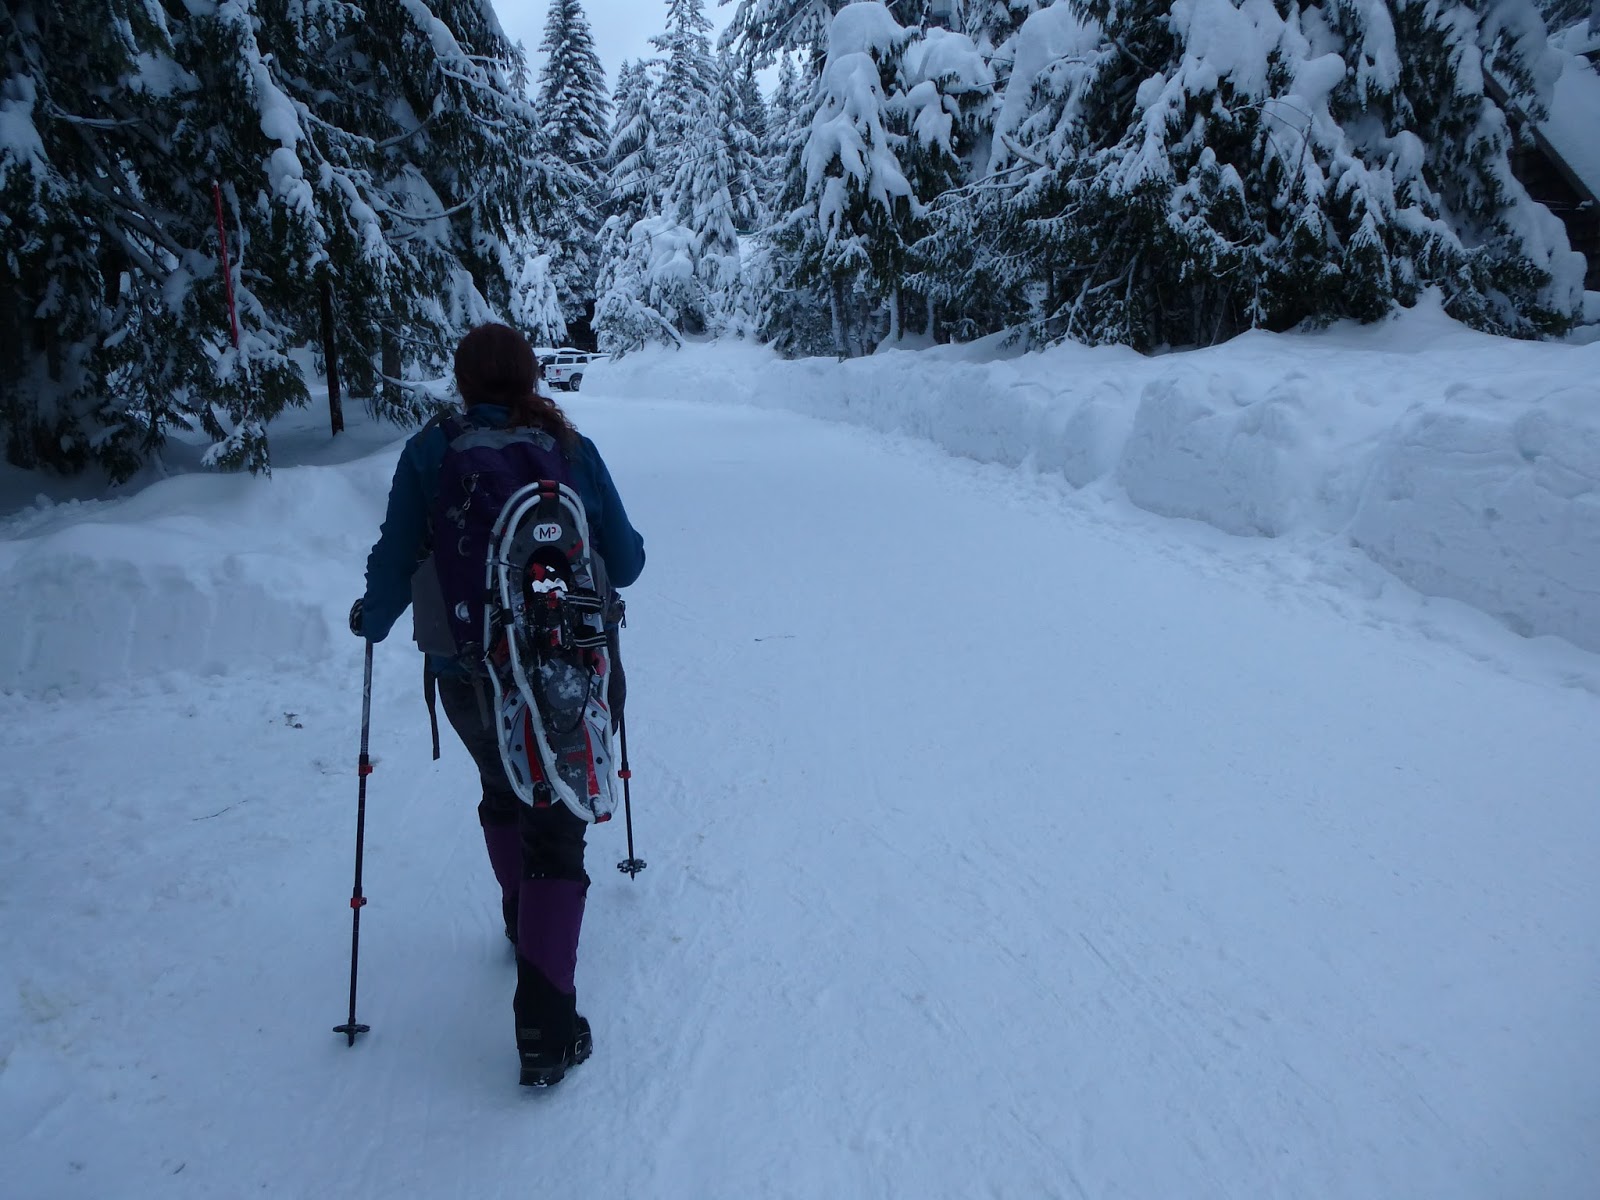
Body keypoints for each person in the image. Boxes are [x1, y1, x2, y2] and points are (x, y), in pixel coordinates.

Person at [350, 323, 645, 1086]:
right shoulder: (572, 450)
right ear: (530, 376)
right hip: (564, 670)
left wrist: (373, 619)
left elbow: (395, 555)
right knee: (557, 828)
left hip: (467, 670)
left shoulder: (431, 451)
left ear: (463, 381)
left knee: (500, 784)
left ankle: (522, 920)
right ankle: (546, 1031)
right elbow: (628, 563)